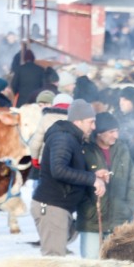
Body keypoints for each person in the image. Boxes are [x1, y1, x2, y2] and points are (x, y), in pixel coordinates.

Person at [31, 99, 109, 256]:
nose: (93, 127)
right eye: (90, 122)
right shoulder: (63, 138)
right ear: (78, 121)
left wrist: (92, 175)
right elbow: (58, 170)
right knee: (54, 261)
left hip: (57, 207)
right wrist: (91, 179)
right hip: (52, 206)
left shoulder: (71, 138)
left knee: (56, 259)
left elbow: (67, 168)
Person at [76, 112, 134, 258]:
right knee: (90, 266)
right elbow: (77, 181)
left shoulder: (122, 149)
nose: (116, 136)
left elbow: (133, 181)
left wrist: (129, 207)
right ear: (99, 133)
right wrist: (87, 208)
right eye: (111, 132)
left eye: (117, 131)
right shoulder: (85, 150)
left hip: (119, 220)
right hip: (91, 220)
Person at [28, 92, 73, 189]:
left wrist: (35, 159)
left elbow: (35, 143)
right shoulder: (75, 119)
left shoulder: (46, 118)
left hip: (46, 161)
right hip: (68, 163)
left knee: (42, 188)